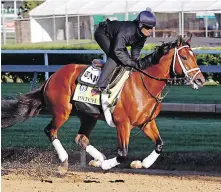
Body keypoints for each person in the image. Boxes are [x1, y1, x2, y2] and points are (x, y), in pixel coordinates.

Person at [93, 9, 156, 93]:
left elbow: (136, 49)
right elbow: (118, 51)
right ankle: (100, 87)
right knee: (115, 57)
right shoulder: (128, 31)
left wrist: (135, 62)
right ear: (140, 25)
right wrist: (131, 62)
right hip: (102, 33)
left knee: (126, 60)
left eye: (151, 28)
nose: (150, 30)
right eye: (148, 27)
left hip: (114, 38)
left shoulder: (142, 35)